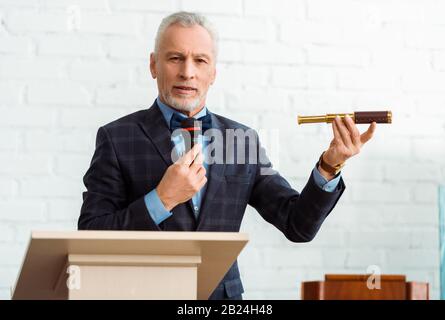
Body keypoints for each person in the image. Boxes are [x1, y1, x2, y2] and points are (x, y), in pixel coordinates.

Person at [78, 11, 376, 300]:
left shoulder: (242, 141)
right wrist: (162, 198)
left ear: (213, 73)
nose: (187, 71)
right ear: (154, 65)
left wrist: (329, 165)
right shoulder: (116, 138)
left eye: (200, 60)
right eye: (175, 58)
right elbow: (91, 239)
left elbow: (297, 225)